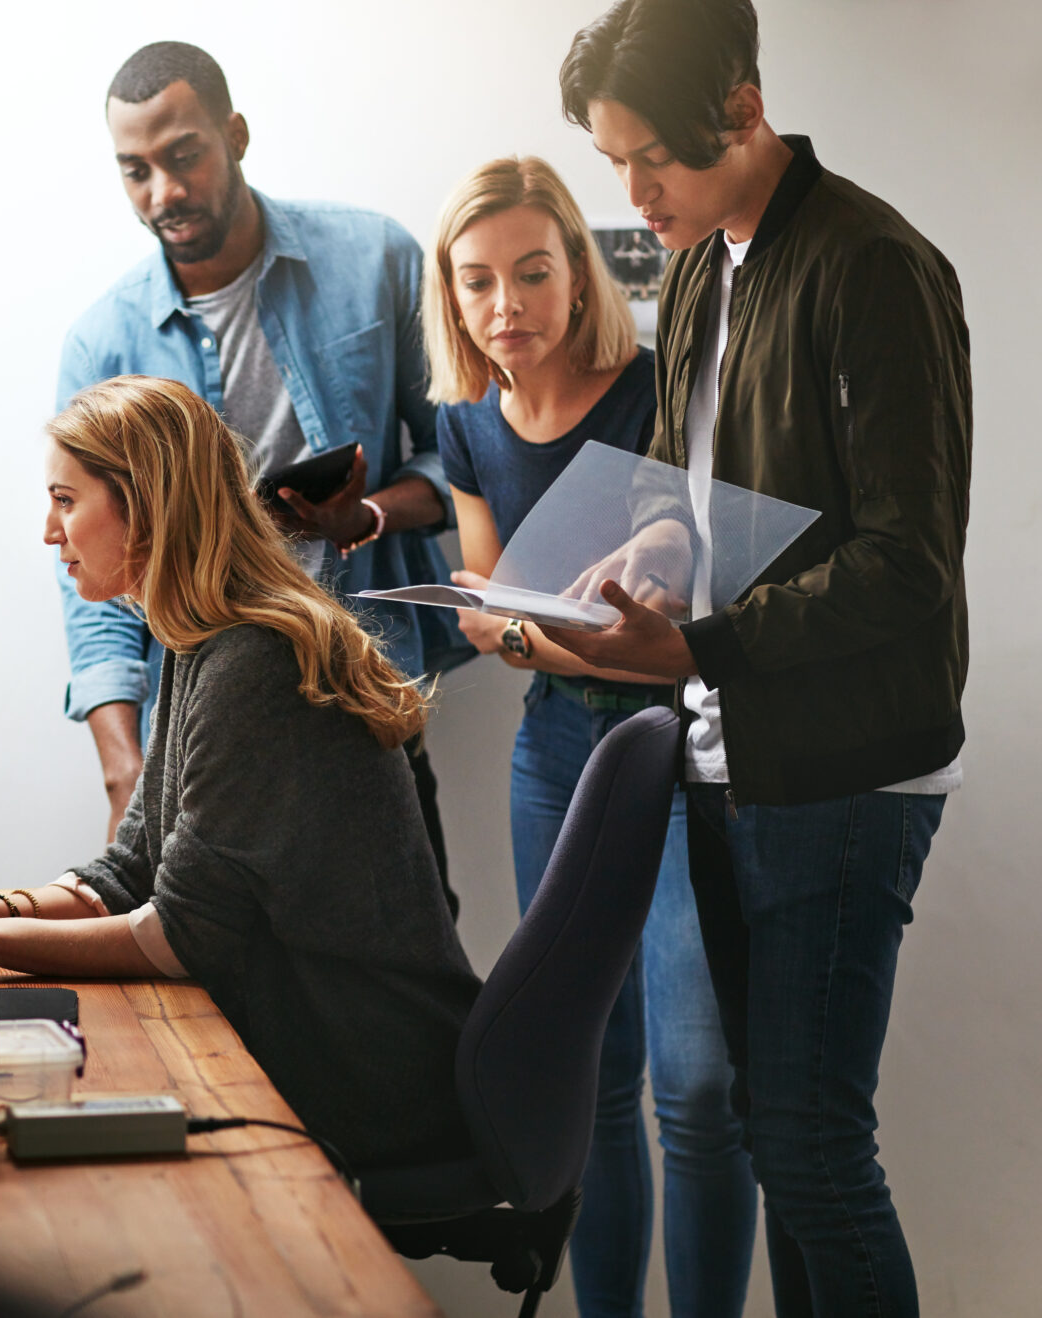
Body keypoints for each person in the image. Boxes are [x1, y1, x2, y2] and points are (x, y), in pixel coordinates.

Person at [542, 3, 971, 1314]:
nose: (632, 192)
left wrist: (703, 637)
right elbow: (682, 480)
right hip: (726, 751)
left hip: (843, 773)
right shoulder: (695, 272)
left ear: (739, 106)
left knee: (812, 1147)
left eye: (648, 160)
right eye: (610, 161)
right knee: (784, 1151)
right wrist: (652, 552)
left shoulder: (876, 267)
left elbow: (911, 561)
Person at [0, 375, 481, 1171]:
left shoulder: (255, 663)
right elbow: (126, 873)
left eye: (66, 501)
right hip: (324, 1051)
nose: (48, 532)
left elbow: (176, 938)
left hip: (368, 1084)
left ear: (146, 505)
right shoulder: (204, 640)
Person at [426, 155, 755, 1318]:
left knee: (701, 1089)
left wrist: (521, 633)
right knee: (591, 1081)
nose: (503, 305)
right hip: (553, 749)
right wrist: (517, 635)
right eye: (475, 282)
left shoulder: (648, 387)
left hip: (673, 744)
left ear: (576, 273)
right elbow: (482, 606)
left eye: (529, 272)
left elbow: (645, 611)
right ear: (449, 294)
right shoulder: (464, 417)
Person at [55, 41, 468, 913]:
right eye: (135, 170)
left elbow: (464, 462)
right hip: (205, 739)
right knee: (216, 998)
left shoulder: (378, 261)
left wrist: (369, 516)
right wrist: (124, 766)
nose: (162, 192)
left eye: (183, 156)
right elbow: (88, 585)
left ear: (235, 134)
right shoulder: (103, 344)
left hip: (365, 714)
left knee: (391, 980)